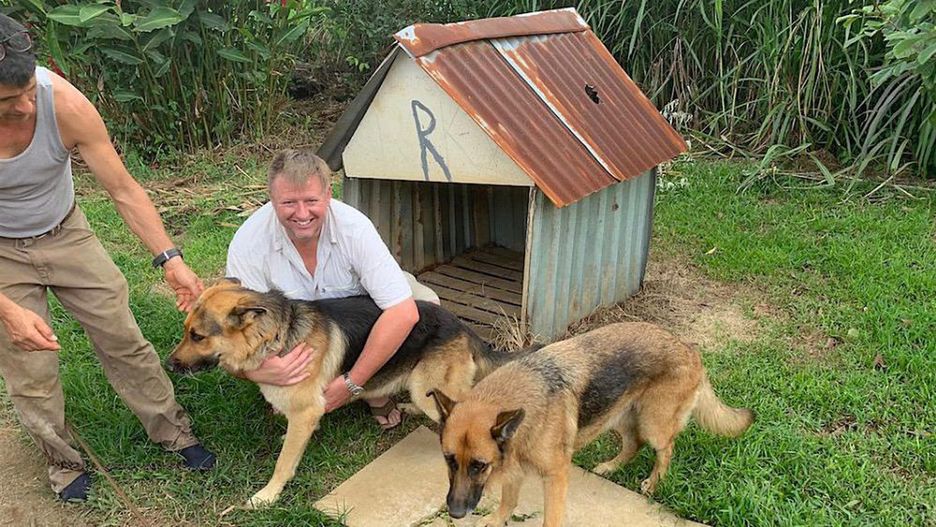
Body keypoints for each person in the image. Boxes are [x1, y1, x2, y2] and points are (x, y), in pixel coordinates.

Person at [0, 14, 215, 502]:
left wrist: (170, 258)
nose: (27, 104)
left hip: (66, 231)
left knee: (123, 337)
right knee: (28, 367)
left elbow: (122, 189)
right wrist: (7, 309)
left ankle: (173, 430)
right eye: (9, 101)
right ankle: (61, 461)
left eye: (29, 88)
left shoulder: (67, 106)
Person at [227, 148, 440, 429]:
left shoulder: (354, 227)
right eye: (289, 202)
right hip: (299, 330)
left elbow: (402, 312)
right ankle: (296, 388)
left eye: (311, 201)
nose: (302, 214)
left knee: (428, 308)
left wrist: (353, 383)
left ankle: (374, 389)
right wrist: (260, 373)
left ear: (328, 195)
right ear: (272, 199)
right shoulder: (248, 242)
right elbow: (230, 331)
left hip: (358, 312)